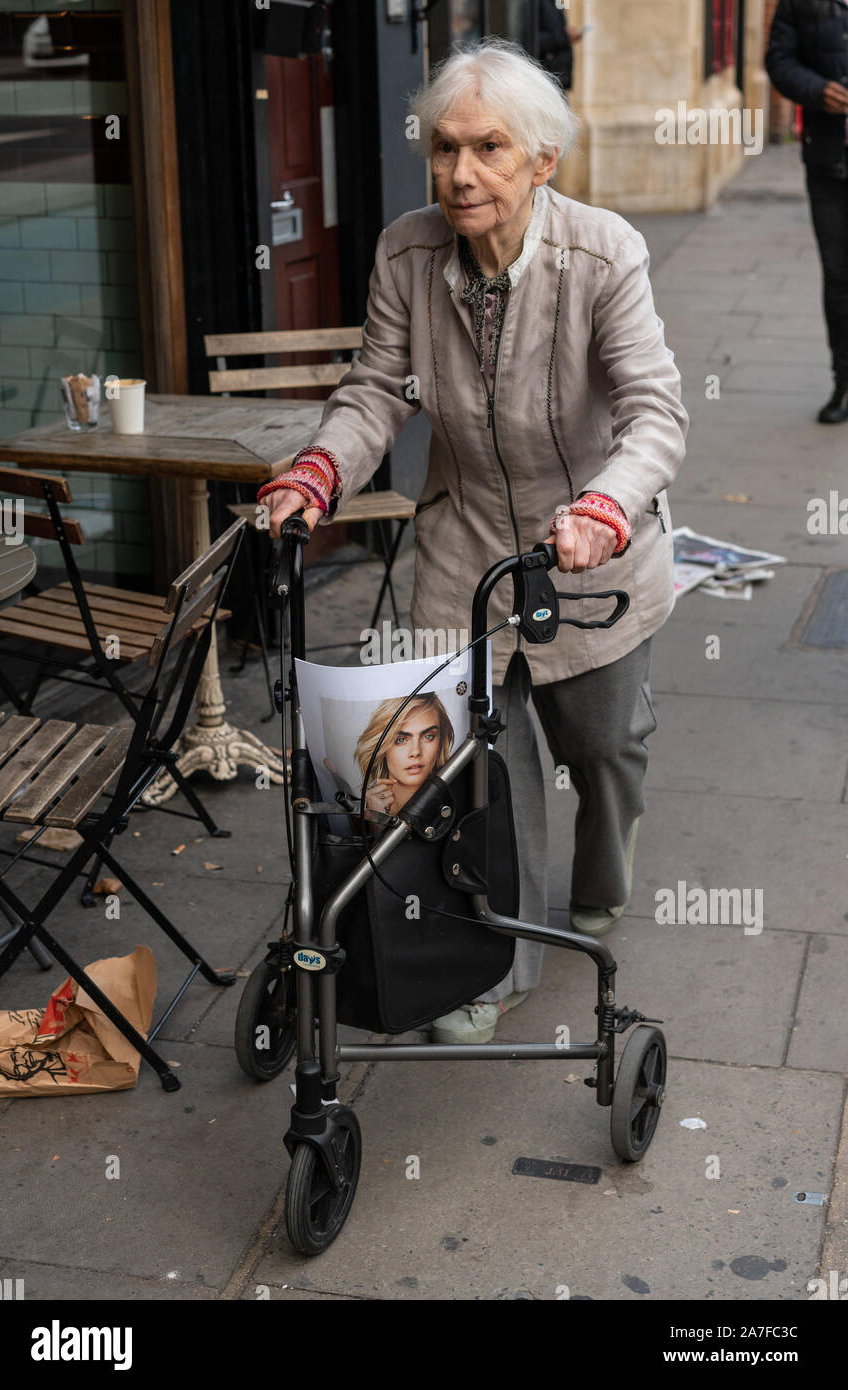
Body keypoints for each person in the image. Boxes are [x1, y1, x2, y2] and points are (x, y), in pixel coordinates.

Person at [258, 38, 688, 1044]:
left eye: (490, 148)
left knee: (604, 745)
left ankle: (608, 854)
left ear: (543, 161)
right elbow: (374, 390)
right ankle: (497, 964)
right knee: (486, 771)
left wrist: (605, 510)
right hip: (461, 554)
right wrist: (320, 470)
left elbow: (654, 413)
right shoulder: (408, 252)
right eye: (446, 148)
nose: (461, 173)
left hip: (591, 554)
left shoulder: (605, 253)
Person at [766, 0, 848, 423]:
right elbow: (779, 61)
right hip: (830, 163)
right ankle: (843, 383)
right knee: (838, 277)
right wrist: (816, 90)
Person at [354, 692, 454, 824]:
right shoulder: (357, 811)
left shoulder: (457, 801)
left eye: (428, 736)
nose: (415, 752)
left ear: (441, 741)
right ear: (382, 748)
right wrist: (376, 822)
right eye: (400, 740)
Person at [537, 0, 584, 92]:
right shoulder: (539, 3)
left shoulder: (557, 3)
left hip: (559, 78)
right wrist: (565, 37)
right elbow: (531, 37)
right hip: (546, 77)